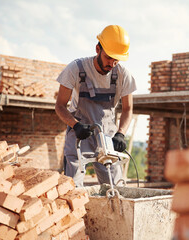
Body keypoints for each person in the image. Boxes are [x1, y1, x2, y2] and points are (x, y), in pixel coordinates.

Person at [55, 25, 136, 187]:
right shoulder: (76, 69)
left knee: (115, 188)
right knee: (72, 187)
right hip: (80, 134)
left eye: (116, 60)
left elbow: (128, 109)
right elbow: (60, 106)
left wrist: (121, 133)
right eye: (108, 58)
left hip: (107, 137)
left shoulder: (122, 74)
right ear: (98, 48)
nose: (112, 64)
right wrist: (75, 126)